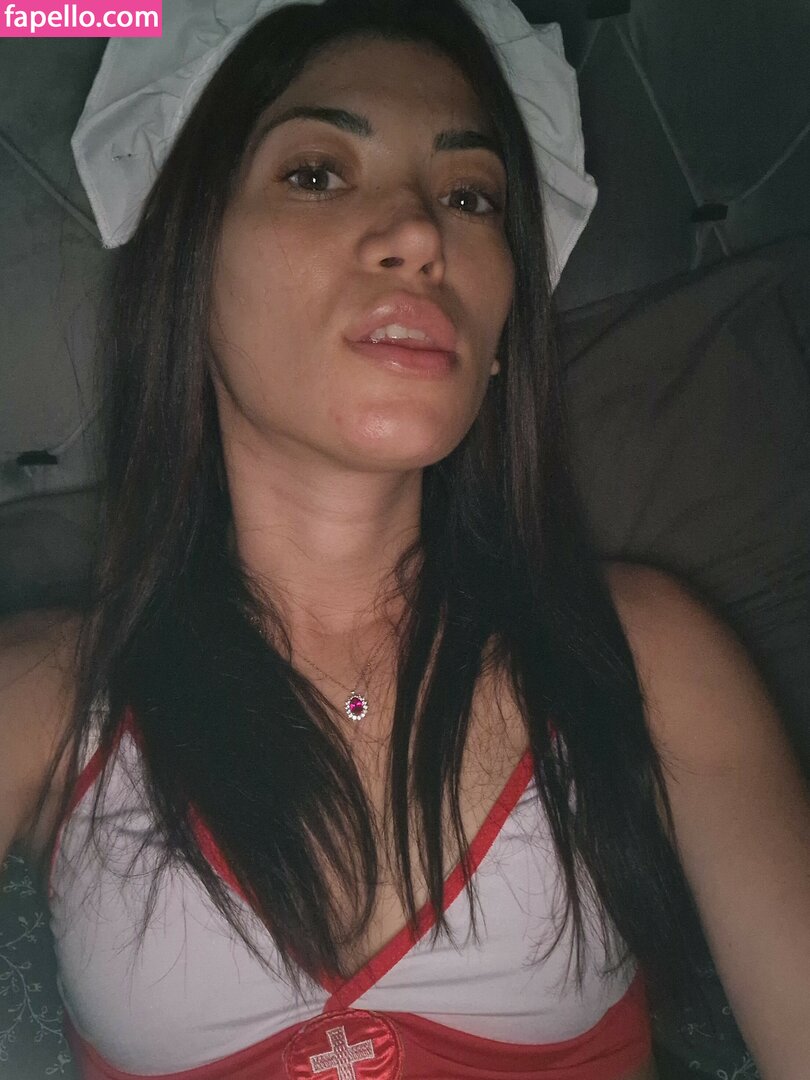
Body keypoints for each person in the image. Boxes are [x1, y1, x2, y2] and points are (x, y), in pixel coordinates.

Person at [1, 1, 809, 1077]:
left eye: (470, 197)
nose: (425, 234)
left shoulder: (650, 654)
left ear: (501, 333)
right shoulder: (44, 699)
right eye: (317, 174)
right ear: (189, 272)